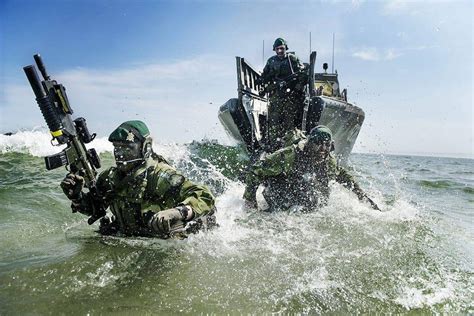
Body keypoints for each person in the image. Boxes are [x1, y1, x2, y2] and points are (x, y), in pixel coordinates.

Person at [61, 120, 217, 238]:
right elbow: (95, 209)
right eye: (117, 148)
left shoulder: (160, 176)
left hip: (165, 240)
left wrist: (175, 213)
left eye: (127, 148)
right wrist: (76, 196)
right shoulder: (110, 178)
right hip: (131, 239)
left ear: (145, 148)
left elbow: (205, 196)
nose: (120, 154)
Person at [243, 125, 380, 212]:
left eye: (326, 145)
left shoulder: (328, 160)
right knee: (283, 205)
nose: (322, 149)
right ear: (309, 144)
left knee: (319, 198)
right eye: (318, 144)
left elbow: (342, 175)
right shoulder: (289, 156)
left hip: (301, 189)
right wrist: (250, 201)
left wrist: (362, 196)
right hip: (280, 187)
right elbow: (256, 171)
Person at [259, 37, 308, 151]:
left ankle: (288, 145)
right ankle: (273, 144)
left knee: (289, 120)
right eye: (277, 49)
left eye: (282, 48)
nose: (280, 51)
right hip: (276, 94)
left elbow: (303, 74)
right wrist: (263, 82)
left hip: (291, 95)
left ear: (285, 48)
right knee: (273, 119)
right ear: (274, 50)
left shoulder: (292, 59)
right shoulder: (271, 61)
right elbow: (265, 75)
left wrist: (297, 87)